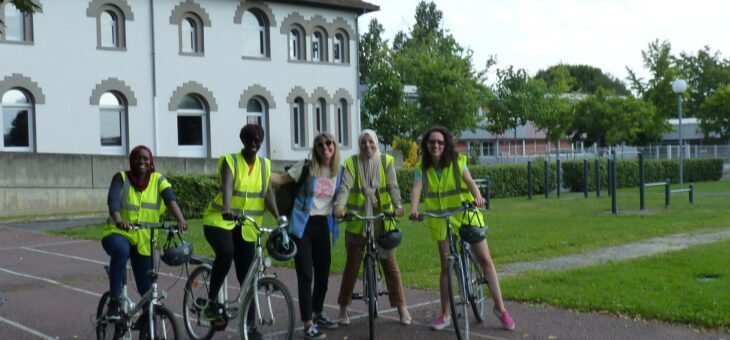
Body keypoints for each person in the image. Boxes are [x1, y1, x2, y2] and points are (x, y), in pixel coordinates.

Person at [409, 126, 515, 331]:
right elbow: (416, 188)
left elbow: (469, 181)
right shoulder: (422, 168)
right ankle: (445, 314)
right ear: (426, 145)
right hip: (440, 219)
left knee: (485, 259)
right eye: (432, 142)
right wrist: (414, 209)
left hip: (466, 214)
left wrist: (478, 196)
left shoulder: (457, 162)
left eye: (440, 142)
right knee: (445, 267)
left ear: (446, 144)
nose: (436, 146)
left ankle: (500, 309)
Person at [201, 124, 282, 334]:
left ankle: (251, 326)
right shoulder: (231, 161)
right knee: (226, 253)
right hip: (220, 219)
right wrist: (227, 207)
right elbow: (227, 185)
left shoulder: (264, 165)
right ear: (242, 140)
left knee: (249, 277)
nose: (253, 144)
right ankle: (211, 302)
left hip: (246, 225)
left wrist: (278, 217)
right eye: (249, 140)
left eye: (257, 140)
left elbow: (268, 193)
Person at [334, 129, 412, 326]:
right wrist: (339, 207)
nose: (367, 146)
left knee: (390, 265)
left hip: (382, 220)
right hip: (358, 221)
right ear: (359, 145)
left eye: (371, 142)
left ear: (376, 143)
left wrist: (398, 205)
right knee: (351, 266)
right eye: (363, 142)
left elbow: (393, 186)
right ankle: (344, 307)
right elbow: (345, 187)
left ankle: (402, 307)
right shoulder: (351, 163)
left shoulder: (386, 162)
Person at [102, 145, 188, 319]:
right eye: (137, 158)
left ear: (151, 162)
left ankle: (150, 328)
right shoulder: (121, 177)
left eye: (145, 158)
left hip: (145, 241)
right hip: (118, 233)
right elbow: (112, 201)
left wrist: (180, 219)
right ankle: (114, 301)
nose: (141, 161)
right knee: (121, 251)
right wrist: (119, 219)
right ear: (131, 160)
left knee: (148, 292)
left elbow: (170, 198)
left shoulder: (158, 180)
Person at [270, 132, 342, 339]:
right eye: (319, 145)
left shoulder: (339, 171)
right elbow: (281, 179)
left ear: (335, 146)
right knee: (305, 274)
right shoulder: (306, 167)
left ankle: (317, 312)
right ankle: (308, 322)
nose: (324, 147)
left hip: (323, 225)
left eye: (328, 143)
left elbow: (345, 194)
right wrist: (260, 168)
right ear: (315, 149)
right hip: (302, 226)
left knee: (323, 273)